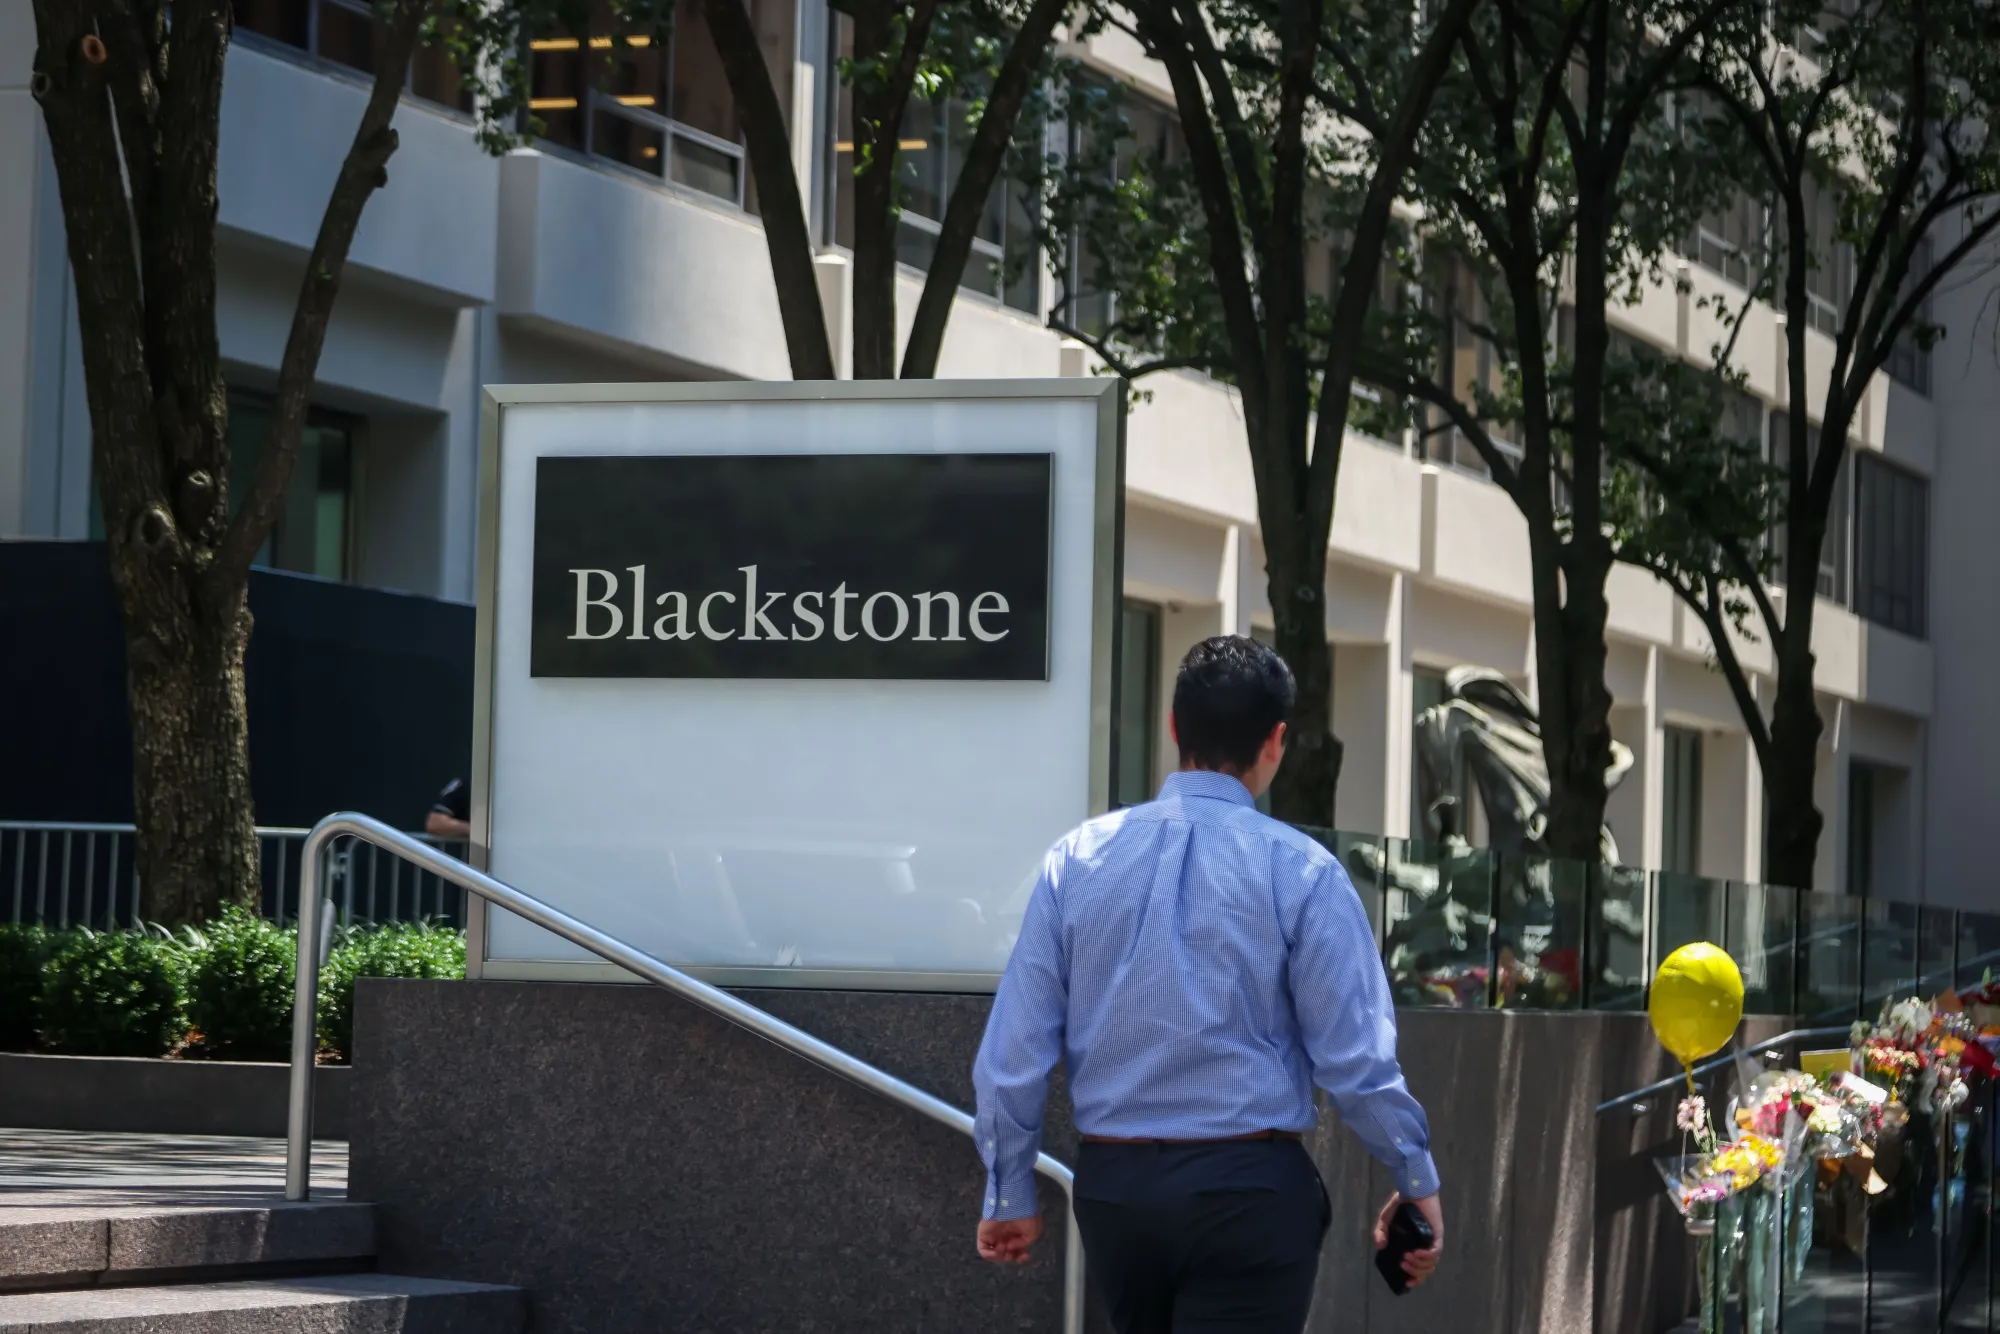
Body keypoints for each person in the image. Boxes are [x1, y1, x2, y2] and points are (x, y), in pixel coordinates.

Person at [971, 635, 1443, 1332]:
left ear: (1173, 727)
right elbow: (1356, 1060)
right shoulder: (1304, 872)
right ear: (1276, 741)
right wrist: (1414, 1177)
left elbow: (1015, 1049)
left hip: (1115, 1192)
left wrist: (1009, 1187)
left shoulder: (1076, 859)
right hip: (1249, 1192)